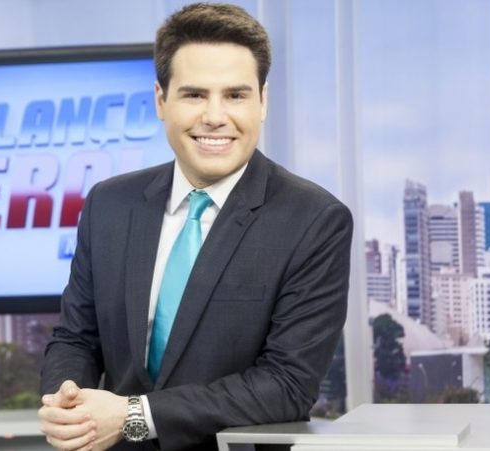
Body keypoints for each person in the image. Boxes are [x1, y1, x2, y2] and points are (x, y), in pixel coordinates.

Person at [38, 3, 353, 450]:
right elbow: (76, 338)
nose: (215, 116)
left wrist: (133, 416)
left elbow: (287, 384)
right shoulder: (109, 204)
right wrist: (67, 400)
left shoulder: (314, 220)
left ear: (263, 101)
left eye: (236, 95)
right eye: (194, 95)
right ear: (161, 100)